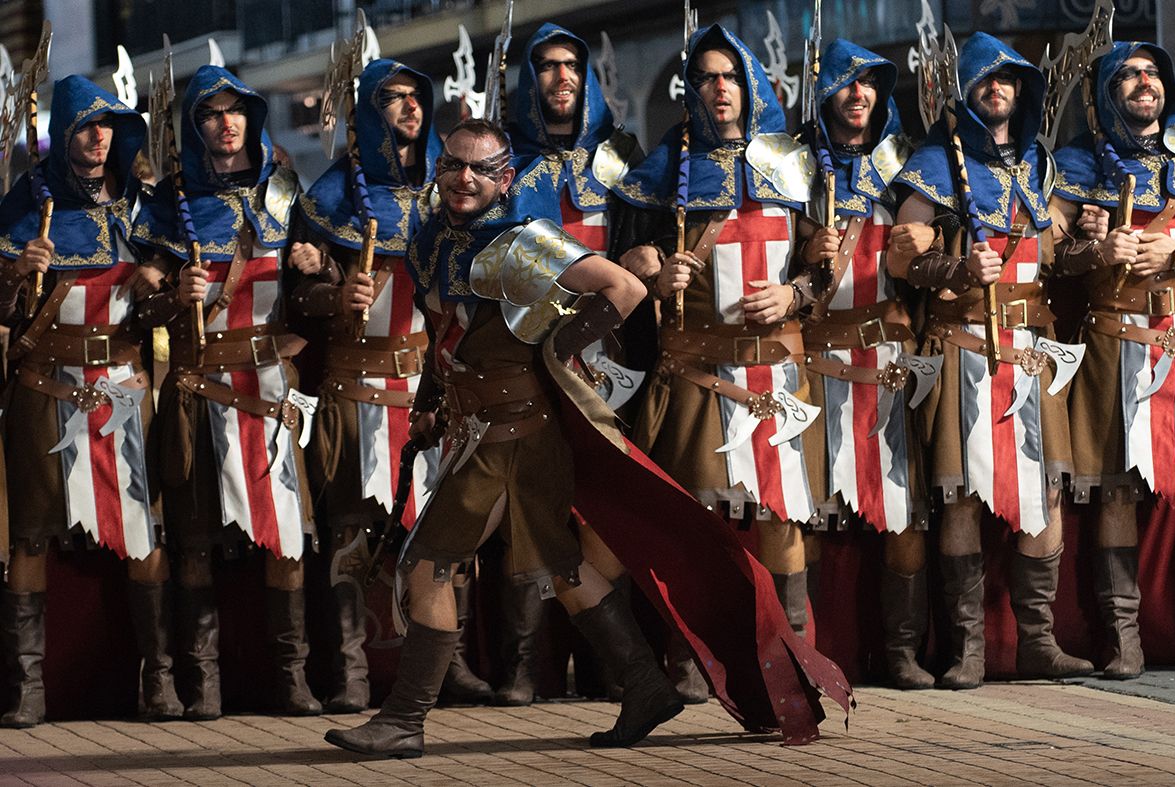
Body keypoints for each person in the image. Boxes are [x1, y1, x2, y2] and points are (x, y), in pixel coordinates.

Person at [324, 118, 853, 757]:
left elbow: (624, 287)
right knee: (564, 567)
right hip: (489, 425)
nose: (465, 178)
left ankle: (405, 720)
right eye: (453, 165)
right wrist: (437, 399)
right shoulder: (436, 238)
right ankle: (644, 685)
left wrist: (557, 345)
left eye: (481, 169)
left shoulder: (523, 242)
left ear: (505, 179)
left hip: (513, 432)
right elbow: (449, 331)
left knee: (429, 567)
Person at [888, 32, 1092, 688]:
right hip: (964, 344)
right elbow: (899, 260)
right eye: (985, 79)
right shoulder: (932, 166)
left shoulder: (1040, 164)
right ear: (968, 89)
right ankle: (967, 648)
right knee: (959, 498)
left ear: (1022, 90)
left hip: (1033, 351)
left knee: (1046, 495)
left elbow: (1057, 255)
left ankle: (1036, 640)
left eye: (1008, 80)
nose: (996, 89)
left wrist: (1088, 243)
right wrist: (954, 264)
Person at [614, 24, 821, 639]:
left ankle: (793, 659)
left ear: (750, 81)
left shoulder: (791, 162)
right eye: (706, 77)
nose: (719, 87)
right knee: (697, 517)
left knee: (781, 516)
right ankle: (695, 659)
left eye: (729, 75)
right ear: (692, 88)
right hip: (697, 372)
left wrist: (795, 293)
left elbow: (822, 266)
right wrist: (654, 267)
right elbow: (627, 257)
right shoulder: (663, 169)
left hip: (776, 367)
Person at [133, 65, 324, 718]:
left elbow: (312, 295)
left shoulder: (284, 193)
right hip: (198, 389)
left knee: (287, 534)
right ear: (194, 126)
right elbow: (140, 302)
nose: (226, 122)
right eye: (212, 113)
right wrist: (166, 292)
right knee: (193, 540)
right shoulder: (165, 205)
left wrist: (315, 266)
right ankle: (202, 681)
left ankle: (292, 677)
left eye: (236, 110)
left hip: (271, 387)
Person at [295, 58, 480, 711]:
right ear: (370, 111)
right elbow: (295, 299)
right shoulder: (326, 198)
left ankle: (445, 665)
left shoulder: (445, 192)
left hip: (425, 387)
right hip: (355, 386)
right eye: (394, 97)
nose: (409, 107)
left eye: (416, 96)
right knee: (351, 535)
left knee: (438, 538)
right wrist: (334, 290)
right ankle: (347, 673)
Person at [0, 76, 176, 727]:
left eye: (107, 125)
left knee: (142, 531)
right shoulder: (24, 207)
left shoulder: (141, 207)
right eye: (85, 125)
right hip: (45, 390)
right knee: (30, 536)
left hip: (124, 390)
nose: (98, 137)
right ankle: (27, 689)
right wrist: (18, 272)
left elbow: (170, 304)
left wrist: (159, 279)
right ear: (65, 131)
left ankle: (157, 680)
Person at [500, 22, 657, 706]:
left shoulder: (622, 158)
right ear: (528, 79)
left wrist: (645, 256)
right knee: (528, 511)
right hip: (525, 359)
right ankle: (522, 670)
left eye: (570, 65)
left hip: (605, 363)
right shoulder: (503, 162)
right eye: (546, 66)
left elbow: (644, 241)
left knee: (602, 514)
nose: (560, 76)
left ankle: (605, 671)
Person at [796, 39, 934, 688]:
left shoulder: (907, 164)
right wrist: (807, 248)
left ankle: (901, 652)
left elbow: (940, 258)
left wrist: (927, 240)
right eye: (847, 84)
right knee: (811, 515)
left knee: (900, 511)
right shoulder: (789, 167)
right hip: (816, 361)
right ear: (825, 93)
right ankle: (812, 654)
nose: (858, 95)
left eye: (870, 84)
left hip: (887, 359)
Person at [1052, 42, 1175, 680]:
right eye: (1128, 74)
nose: (1143, 82)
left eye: (1153, 72)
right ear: (1107, 90)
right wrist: (1091, 246)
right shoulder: (1075, 163)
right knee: (1115, 490)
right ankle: (1121, 635)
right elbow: (1050, 259)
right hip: (1113, 340)